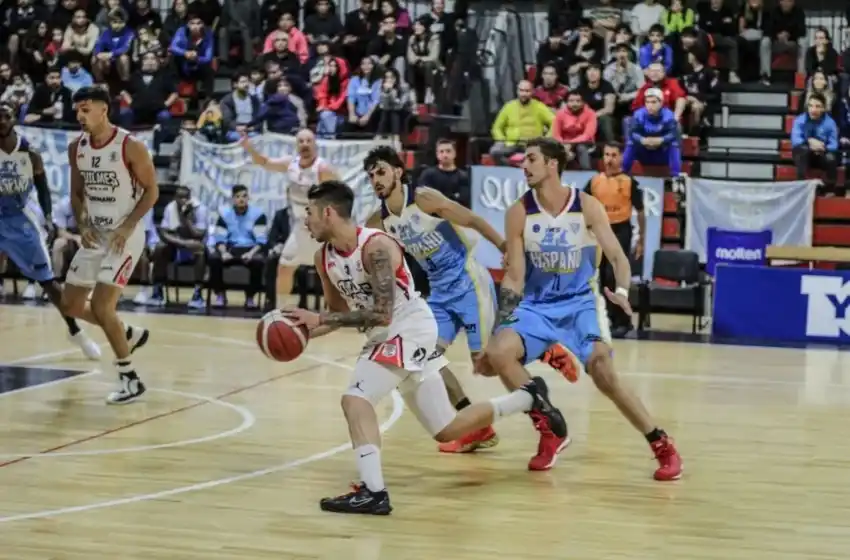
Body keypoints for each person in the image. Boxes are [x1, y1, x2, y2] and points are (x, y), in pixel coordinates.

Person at [287, 180, 566, 515]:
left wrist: (319, 318)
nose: (305, 220)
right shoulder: (324, 258)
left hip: (408, 328)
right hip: (387, 336)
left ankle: (374, 492)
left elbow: (382, 313)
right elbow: (337, 314)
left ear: (329, 213)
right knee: (446, 430)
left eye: (309, 212)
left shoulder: (375, 246)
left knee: (355, 400)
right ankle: (528, 396)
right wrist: (302, 332)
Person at [476, 137, 683, 480]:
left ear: (552, 163)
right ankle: (549, 427)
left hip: (580, 304)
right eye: (523, 160)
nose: (523, 166)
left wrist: (622, 291)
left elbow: (617, 256)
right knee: (498, 355)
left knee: (603, 371)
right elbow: (515, 275)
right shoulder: (518, 212)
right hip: (537, 306)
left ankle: (661, 443)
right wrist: (500, 329)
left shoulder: (586, 205)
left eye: (531, 159)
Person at [61, 86, 156, 404]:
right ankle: (126, 333)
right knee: (70, 305)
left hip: (124, 236)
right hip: (95, 234)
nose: (79, 115)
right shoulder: (76, 148)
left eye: (85, 109)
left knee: (102, 307)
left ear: (104, 110)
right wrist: (82, 224)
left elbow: (152, 191)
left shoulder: (131, 145)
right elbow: (77, 193)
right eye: (77, 110)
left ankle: (130, 378)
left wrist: (127, 226)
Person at [0, 102, 100, 360]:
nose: (1, 120)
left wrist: (46, 216)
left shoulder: (30, 152)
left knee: (48, 282)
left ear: (14, 119)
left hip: (19, 218)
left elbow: (43, 188)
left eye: (5, 116)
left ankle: (75, 330)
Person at [241, 129, 337, 309]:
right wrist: (250, 148)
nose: (305, 144)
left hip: (322, 229)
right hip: (301, 227)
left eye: (308, 141)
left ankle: (337, 312)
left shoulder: (323, 168)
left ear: (315, 144)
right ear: (296, 145)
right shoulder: (290, 163)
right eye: (301, 141)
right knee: (284, 267)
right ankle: (280, 309)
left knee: (334, 273)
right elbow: (265, 162)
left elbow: (341, 195)